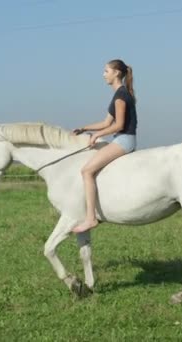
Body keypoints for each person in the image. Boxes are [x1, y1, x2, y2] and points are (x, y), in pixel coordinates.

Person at [72, 59, 138, 233]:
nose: (103, 75)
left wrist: (97, 135)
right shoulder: (118, 94)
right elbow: (105, 122)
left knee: (86, 171)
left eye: (106, 71)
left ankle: (91, 218)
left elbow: (119, 125)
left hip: (124, 140)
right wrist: (84, 128)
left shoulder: (121, 95)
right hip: (121, 138)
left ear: (116, 73)